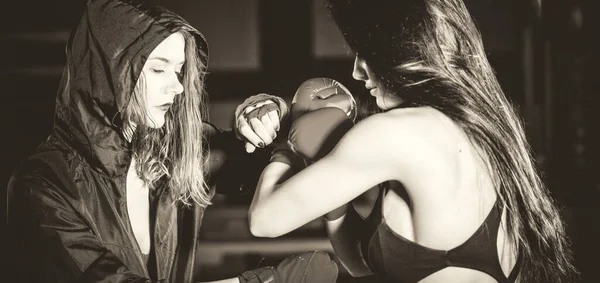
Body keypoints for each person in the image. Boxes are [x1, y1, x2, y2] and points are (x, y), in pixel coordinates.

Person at [5, 0, 339, 282]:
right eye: (158, 70)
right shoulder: (43, 184)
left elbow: (255, 166)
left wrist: (271, 114)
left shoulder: (175, 153)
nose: (177, 87)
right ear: (110, 72)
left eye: (179, 71)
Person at [248, 0, 579, 282]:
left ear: (398, 47)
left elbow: (264, 221)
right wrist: (334, 203)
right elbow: (361, 266)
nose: (357, 71)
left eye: (364, 52)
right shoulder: (489, 123)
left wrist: (287, 146)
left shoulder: (395, 133)